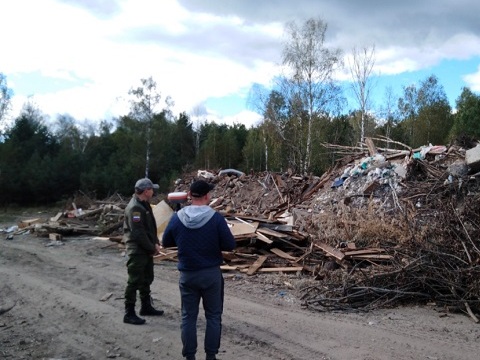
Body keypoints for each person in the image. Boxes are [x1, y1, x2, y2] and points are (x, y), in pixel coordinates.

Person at [162, 180, 236, 360]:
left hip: (188, 274)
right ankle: (211, 356)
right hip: (210, 274)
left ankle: (189, 356)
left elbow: (166, 242)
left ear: (189, 195)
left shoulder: (178, 216)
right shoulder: (216, 218)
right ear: (207, 196)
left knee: (188, 317)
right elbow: (230, 245)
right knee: (213, 316)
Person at [123, 177, 164, 325]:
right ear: (146, 191)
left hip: (145, 248)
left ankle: (146, 306)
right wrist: (152, 247)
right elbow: (138, 233)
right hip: (137, 250)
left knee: (146, 278)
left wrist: (156, 243)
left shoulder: (144, 204)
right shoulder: (135, 208)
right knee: (134, 281)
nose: (153, 192)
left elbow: (150, 227)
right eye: (152, 189)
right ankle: (129, 312)